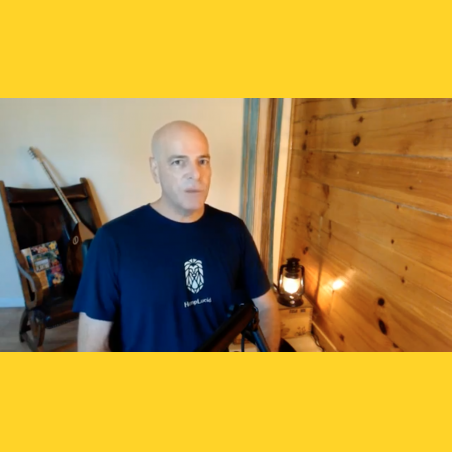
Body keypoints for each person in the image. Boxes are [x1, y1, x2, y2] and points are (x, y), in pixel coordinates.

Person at [74, 120, 281, 351]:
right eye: (178, 162)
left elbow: (266, 307)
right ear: (155, 169)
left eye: (202, 161)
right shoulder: (112, 241)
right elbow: (92, 346)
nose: (195, 174)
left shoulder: (233, 230)